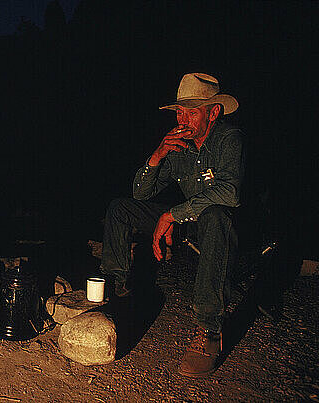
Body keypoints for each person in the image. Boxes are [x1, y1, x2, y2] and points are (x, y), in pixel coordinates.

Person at [100, 72, 244, 377]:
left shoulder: (228, 139)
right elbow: (141, 194)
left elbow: (229, 193)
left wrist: (171, 215)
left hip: (219, 225)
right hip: (186, 220)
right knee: (120, 208)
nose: (184, 119)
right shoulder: (179, 145)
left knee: (216, 215)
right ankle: (116, 286)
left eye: (192, 112)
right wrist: (158, 153)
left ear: (213, 112)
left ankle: (209, 332)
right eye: (180, 111)